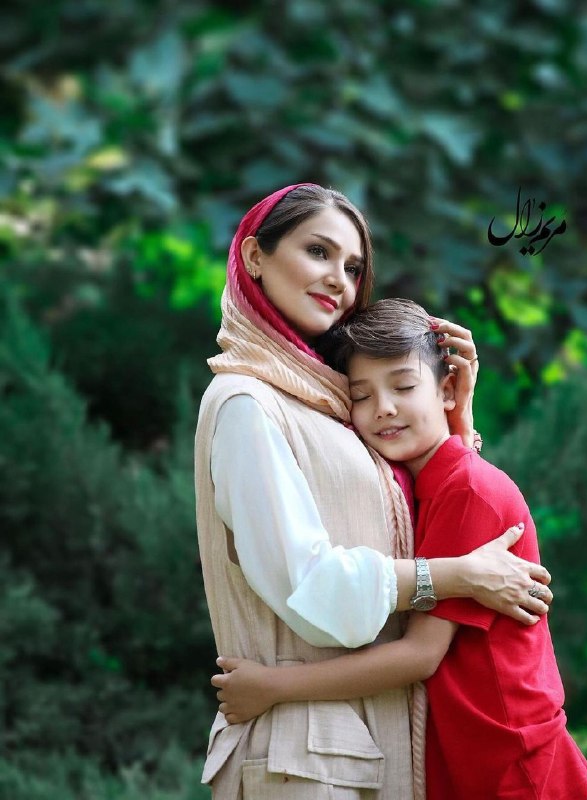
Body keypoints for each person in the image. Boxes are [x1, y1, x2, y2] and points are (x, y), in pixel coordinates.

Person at [195, 184, 553, 800]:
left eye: (354, 267)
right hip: (302, 757)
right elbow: (314, 590)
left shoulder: (325, 402)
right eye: (318, 251)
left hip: (361, 752)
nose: (339, 280)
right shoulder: (248, 403)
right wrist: (456, 576)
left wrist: (455, 419)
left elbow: (413, 505)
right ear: (254, 256)